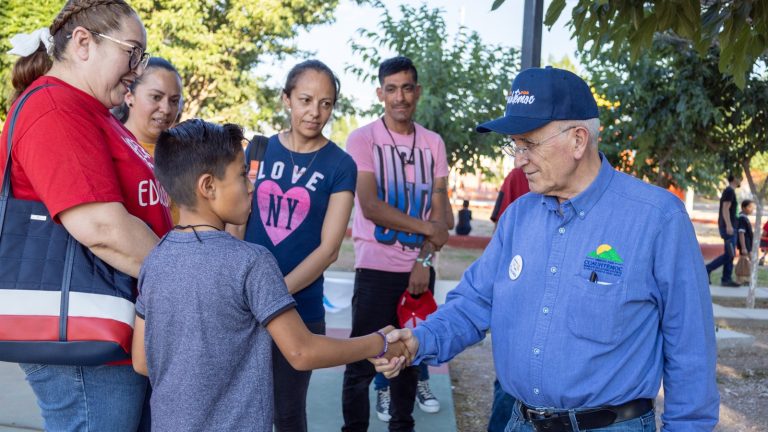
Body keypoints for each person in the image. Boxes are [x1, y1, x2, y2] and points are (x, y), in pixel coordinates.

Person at [373, 66, 719, 431]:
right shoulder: (517, 218)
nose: (518, 159)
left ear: (578, 140)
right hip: (521, 421)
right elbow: (474, 303)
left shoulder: (656, 218)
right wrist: (419, 340)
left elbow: (690, 345)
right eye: (514, 146)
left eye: (529, 144)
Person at [131, 119, 408, 432]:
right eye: (241, 175)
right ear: (208, 186)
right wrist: (378, 343)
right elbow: (302, 351)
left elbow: (142, 360)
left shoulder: (156, 259)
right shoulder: (251, 262)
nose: (252, 186)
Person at [0, 1, 173, 430]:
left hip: (105, 331)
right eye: (132, 52)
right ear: (82, 43)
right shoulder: (55, 108)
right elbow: (101, 228)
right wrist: (188, 281)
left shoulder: (90, 110)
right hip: (84, 339)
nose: (137, 67)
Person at [237, 60, 357, 432]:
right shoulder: (257, 151)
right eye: (306, 100)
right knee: (241, 407)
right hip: (244, 307)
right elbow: (236, 222)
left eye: (326, 103)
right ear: (286, 99)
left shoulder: (341, 164)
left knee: (288, 413)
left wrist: (273, 293)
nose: (315, 112)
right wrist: (240, 293)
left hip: (300, 308)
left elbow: (329, 248)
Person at [342, 56, 450, 432]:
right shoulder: (362, 139)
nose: (400, 96)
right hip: (374, 269)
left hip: (419, 273)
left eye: (407, 88)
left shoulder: (433, 144)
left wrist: (423, 259)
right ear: (380, 93)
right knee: (360, 363)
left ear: (417, 92)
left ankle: (402, 427)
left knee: (409, 359)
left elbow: (445, 217)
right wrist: (426, 229)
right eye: (391, 89)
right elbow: (371, 207)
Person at [488, 167, 529, 432]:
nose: (522, 156)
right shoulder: (518, 177)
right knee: (508, 388)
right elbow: (499, 235)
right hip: (520, 306)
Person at [706, 174, 742, 287]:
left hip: (730, 226)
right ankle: (707, 269)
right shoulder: (729, 191)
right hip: (729, 228)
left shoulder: (731, 191)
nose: (741, 179)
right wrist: (729, 225)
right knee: (729, 254)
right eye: (739, 176)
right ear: (734, 178)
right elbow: (725, 209)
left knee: (730, 254)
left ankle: (726, 279)